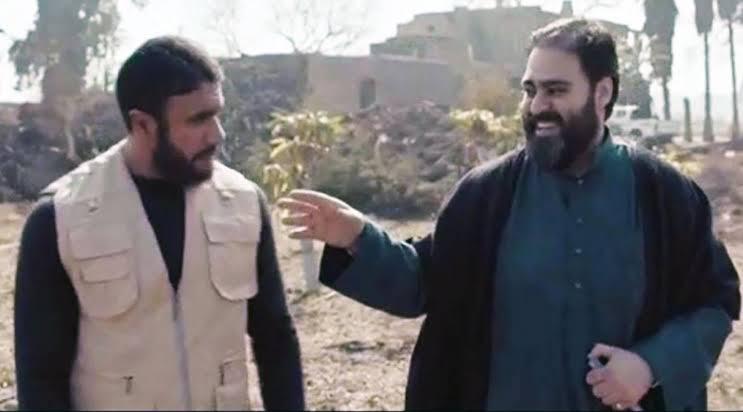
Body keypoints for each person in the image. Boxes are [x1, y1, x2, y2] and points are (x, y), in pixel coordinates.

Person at [278, 18, 740, 411]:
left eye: (556, 90)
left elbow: (713, 303)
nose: (538, 106)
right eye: (530, 90)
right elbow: (429, 282)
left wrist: (650, 365)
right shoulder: (487, 194)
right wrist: (358, 238)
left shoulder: (663, 194)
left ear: (602, 92)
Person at [14, 36, 304, 410]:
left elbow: (276, 339)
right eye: (198, 119)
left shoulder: (244, 203)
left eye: (216, 114)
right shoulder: (61, 217)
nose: (217, 134)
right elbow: (40, 377)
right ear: (143, 124)